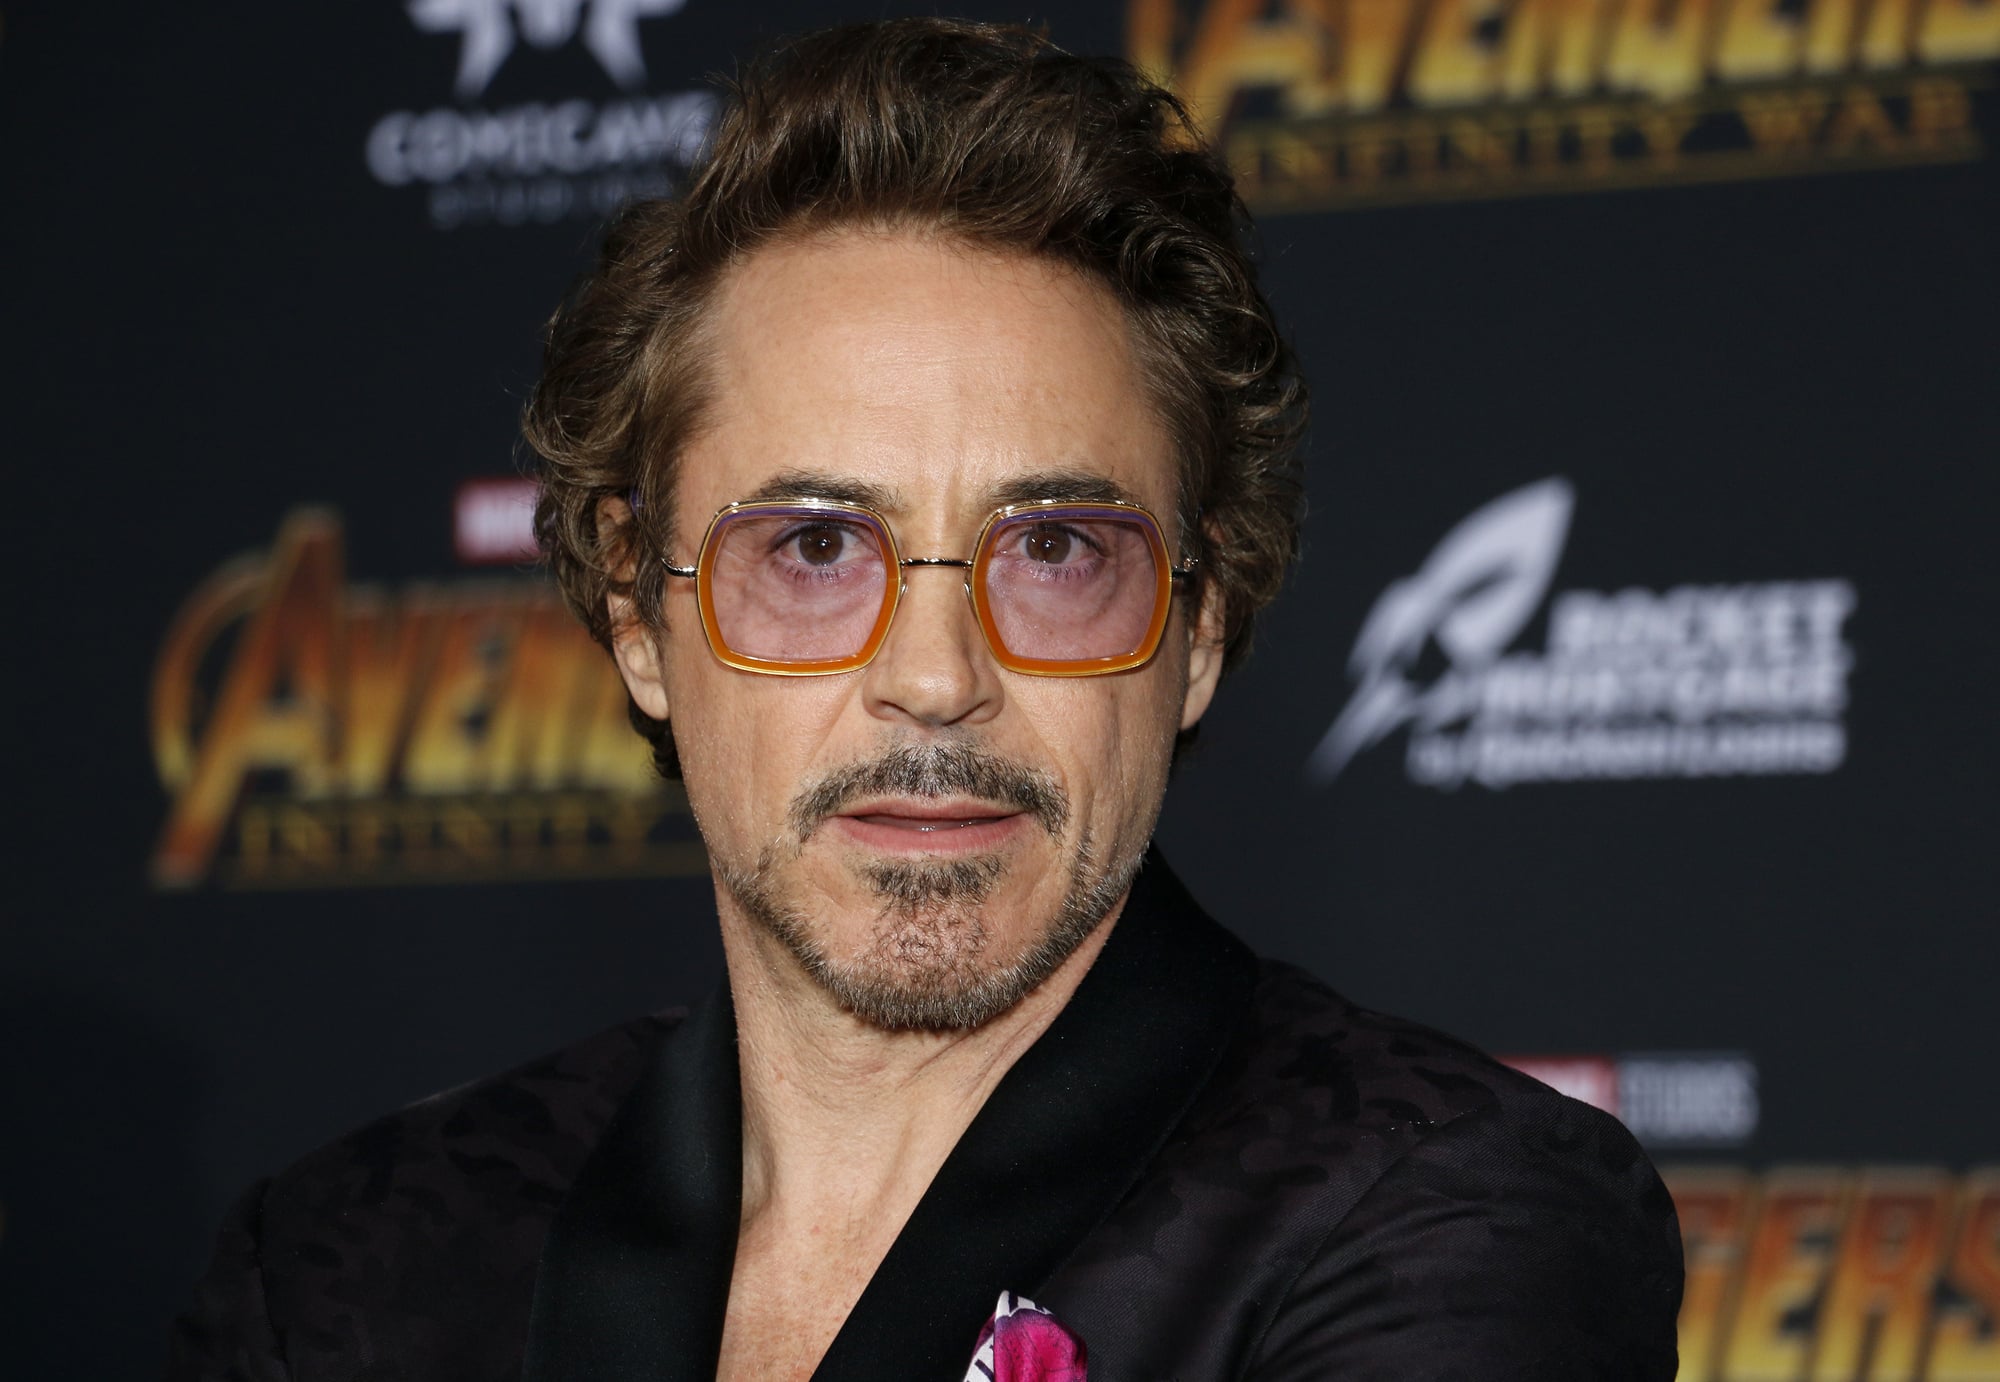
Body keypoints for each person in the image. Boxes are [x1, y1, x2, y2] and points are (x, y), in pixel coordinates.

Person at [169, 18, 1682, 1382]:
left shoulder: (1458, 1221)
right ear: (639, 616)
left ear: (1202, 623)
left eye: (1059, 548)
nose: (938, 678)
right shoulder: (348, 1272)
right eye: (816, 548)